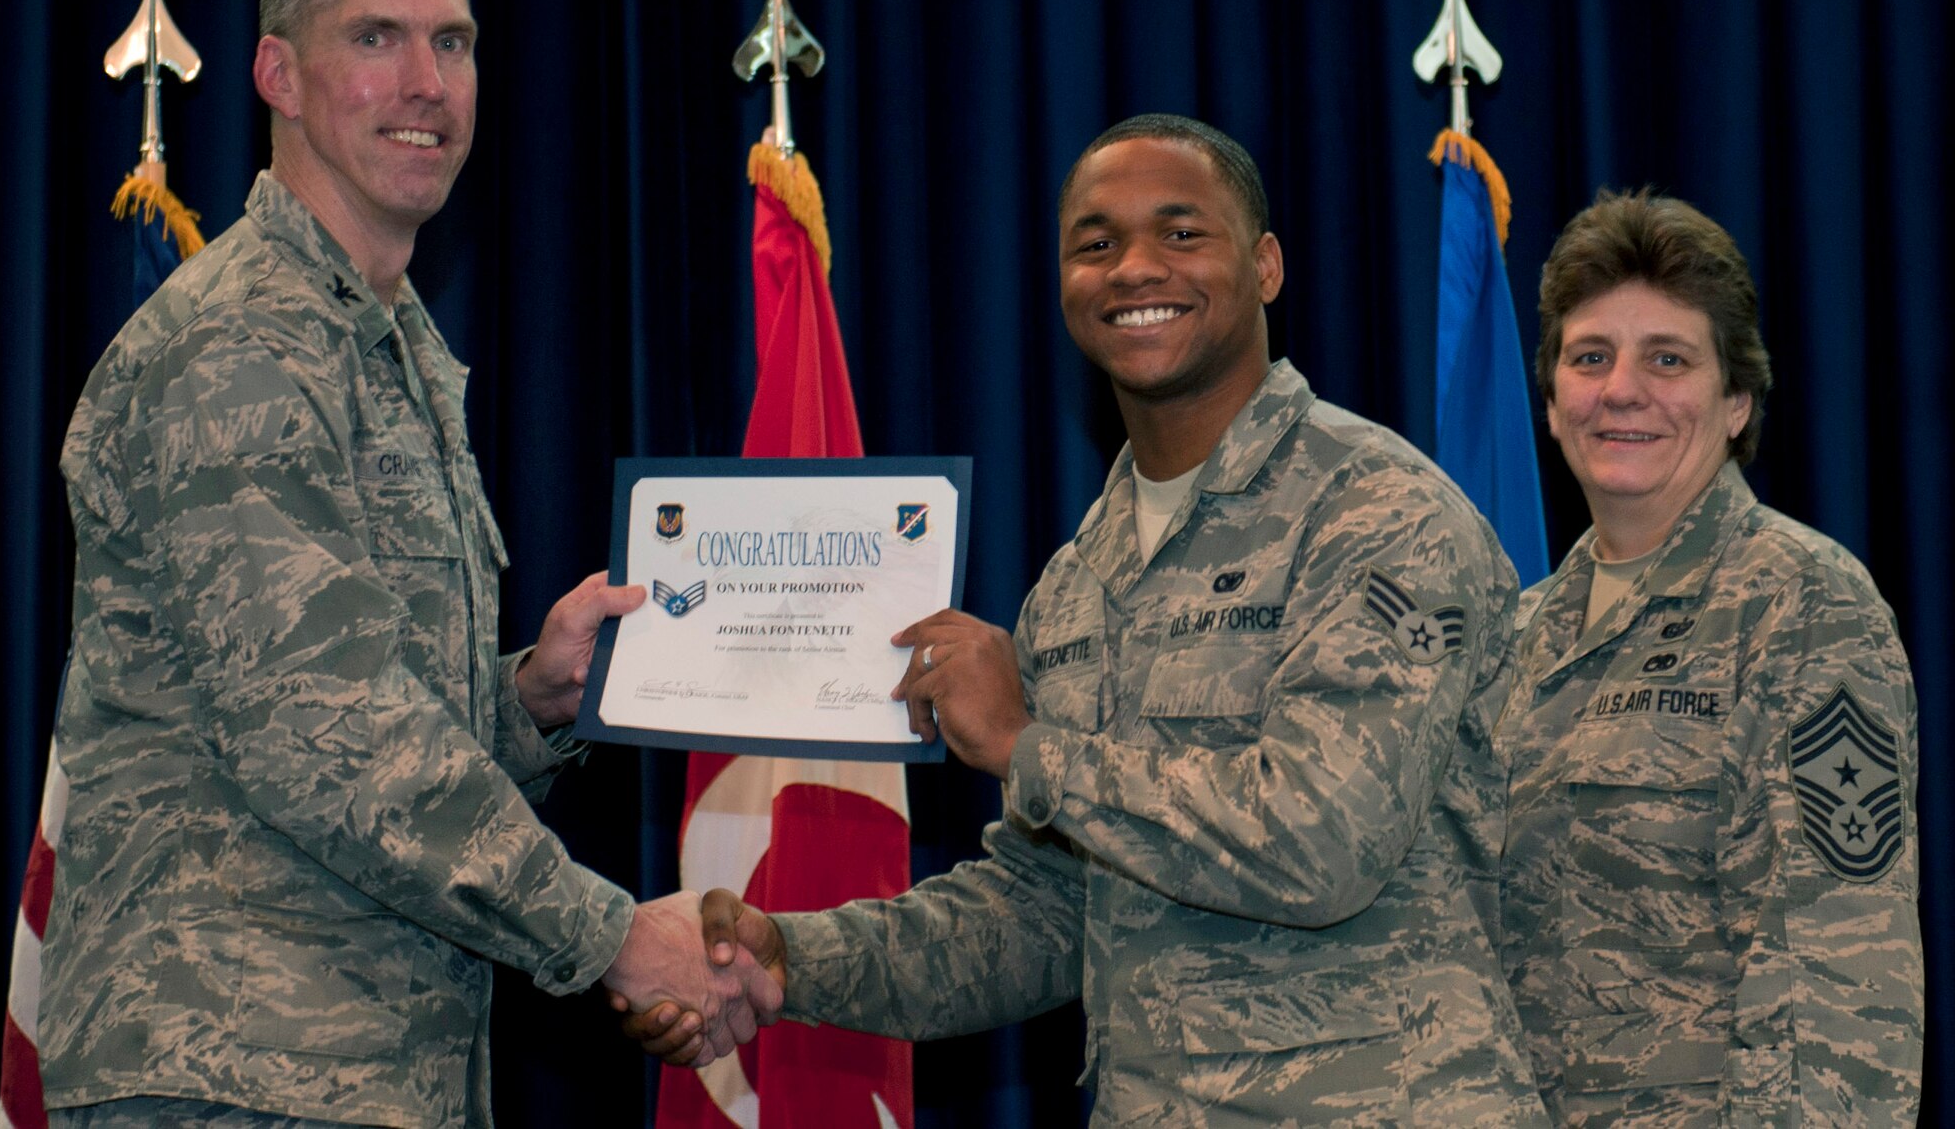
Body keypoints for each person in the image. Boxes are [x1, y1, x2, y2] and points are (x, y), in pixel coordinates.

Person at [630, 114, 1549, 1124]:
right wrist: (789, 957)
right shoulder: (1080, 578)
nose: (1133, 267)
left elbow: (1321, 838)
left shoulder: (1378, 512)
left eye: (1180, 231)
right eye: (1094, 242)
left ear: (1267, 266)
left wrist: (1027, 742)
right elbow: (1046, 907)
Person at [38, 0, 775, 1128]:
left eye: (456, 42)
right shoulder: (240, 346)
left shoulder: (390, 344)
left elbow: (326, 708)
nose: (427, 84)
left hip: (362, 1067)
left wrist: (528, 698)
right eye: (377, 38)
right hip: (231, 1065)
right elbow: (331, 734)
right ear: (277, 71)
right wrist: (610, 936)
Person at [1497, 190, 1923, 1124]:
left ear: (1736, 401)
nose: (1622, 390)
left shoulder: (1805, 602)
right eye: (1591, 357)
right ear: (1553, 400)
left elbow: (1840, 982)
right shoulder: (1513, 638)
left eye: (1669, 359)